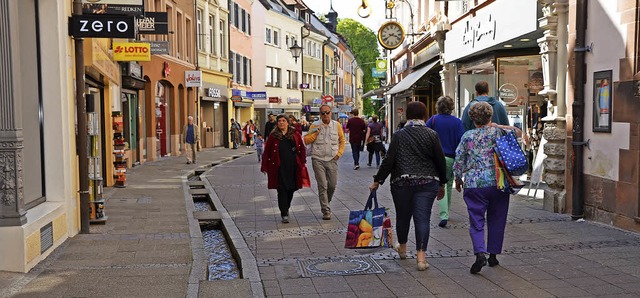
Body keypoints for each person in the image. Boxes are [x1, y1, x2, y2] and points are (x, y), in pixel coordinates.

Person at [369, 101, 447, 271]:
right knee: (422, 219)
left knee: (403, 216)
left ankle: (402, 249)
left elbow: (389, 161)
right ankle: (421, 259)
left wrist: (378, 180)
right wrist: (442, 183)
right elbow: (440, 160)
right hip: (427, 182)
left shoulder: (399, 135)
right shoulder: (432, 134)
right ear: (424, 115)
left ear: (407, 115)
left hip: (402, 183)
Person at [453, 101, 522, 274]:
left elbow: (459, 159)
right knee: (497, 218)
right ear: (490, 116)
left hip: (474, 184)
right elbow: (518, 133)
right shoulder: (499, 132)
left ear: (472, 118)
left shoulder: (467, 136)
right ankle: (493, 255)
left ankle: (479, 252)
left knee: (476, 220)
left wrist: (457, 178)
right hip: (498, 181)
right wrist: (499, 125)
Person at [261, 115, 309, 223]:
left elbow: (302, 148)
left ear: (288, 122)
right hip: (278, 167)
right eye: (279, 121)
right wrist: (264, 166)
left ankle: (286, 207)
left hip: (293, 166)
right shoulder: (274, 136)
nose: (281, 123)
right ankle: (284, 212)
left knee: (291, 188)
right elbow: (267, 152)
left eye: (283, 121)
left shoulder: (295, 134)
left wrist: (302, 162)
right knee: (281, 189)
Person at [426, 96, 464, 228]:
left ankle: (444, 215)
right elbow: (461, 142)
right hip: (451, 158)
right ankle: (446, 212)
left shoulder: (433, 120)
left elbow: (425, 136)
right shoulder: (457, 122)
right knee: (448, 184)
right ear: (451, 107)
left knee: (440, 185)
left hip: (436, 158)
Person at [304, 104, 346, 220]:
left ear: (331, 113)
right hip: (318, 158)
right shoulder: (314, 125)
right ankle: (326, 210)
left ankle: (326, 202)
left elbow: (342, 140)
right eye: (323, 113)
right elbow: (306, 140)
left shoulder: (336, 125)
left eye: (327, 112)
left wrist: (339, 154)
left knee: (332, 185)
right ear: (320, 114)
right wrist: (315, 134)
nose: (325, 115)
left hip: (332, 158)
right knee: (322, 185)